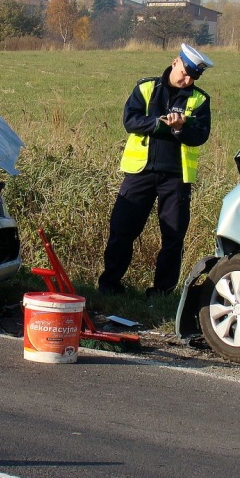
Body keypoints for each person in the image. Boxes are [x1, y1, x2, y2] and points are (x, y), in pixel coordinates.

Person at [98, 43, 214, 298]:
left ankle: (162, 291)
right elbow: (131, 120)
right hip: (140, 172)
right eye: (184, 72)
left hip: (176, 176)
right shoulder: (146, 88)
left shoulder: (200, 100)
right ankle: (109, 285)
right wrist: (160, 124)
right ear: (175, 62)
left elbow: (200, 135)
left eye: (193, 77)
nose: (187, 80)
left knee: (173, 237)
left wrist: (181, 128)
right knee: (122, 229)